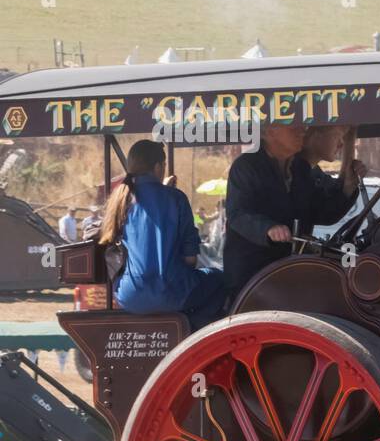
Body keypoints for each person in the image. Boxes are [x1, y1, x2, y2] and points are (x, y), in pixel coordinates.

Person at [98, 139, 226, 329]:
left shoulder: (121, 199)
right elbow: (190, 259)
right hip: (173, 293)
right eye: (164, 165)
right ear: (158, 167)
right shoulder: (176, 198)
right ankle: (192, 330)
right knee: (219, 279)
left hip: (130, 296)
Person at [224, 125, 365, 297]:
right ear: (270, 131)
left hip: (291, 269)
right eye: (293, 127)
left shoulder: (300, 169)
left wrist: (350, 186)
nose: (302, 131)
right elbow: (237, 214)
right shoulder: (246, 166)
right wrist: (268, 229)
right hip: (252, 276)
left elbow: (324, 213)